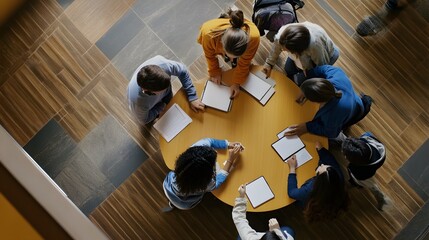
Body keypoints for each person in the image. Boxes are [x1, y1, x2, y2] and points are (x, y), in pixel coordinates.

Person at [284, 65, 364, 138]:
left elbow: (331, 133)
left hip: (354, 112)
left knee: (332, 140)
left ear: (316, 101)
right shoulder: (336, 74)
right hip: (353, 99)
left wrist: (307, 127)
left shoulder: (333, 114)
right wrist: (308, 77)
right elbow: (322, 69)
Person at [163, 138, 244, 210]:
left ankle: (172, 203)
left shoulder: (194, 150)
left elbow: (209, 141)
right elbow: (217, 183)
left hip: (168, 188)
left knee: (174, 200)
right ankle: (174, 204)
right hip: (185, 203)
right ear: (208, 176)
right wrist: (230, 160)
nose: (215, 151)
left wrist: (227, 144)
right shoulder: (207, 184)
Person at [198, 9, 260, 98]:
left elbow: (244, 63)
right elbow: (210, 56)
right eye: (227, 54)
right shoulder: (208, 35)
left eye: (236, 57)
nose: (231, 59)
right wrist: (214, 72)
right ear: (221, 44)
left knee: (238, 64)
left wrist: (237, 83)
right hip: (214, 33)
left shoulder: (253, 38)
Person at [127, 55, 205, 125]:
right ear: (148, 91)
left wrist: (192, 96)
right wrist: (162, 106)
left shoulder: (163, 65)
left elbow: (183, 71)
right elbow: (144, 120)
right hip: (154, 107)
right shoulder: (138, 103)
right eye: (162, 90)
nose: (167, 88)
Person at [287, 142, 349, 222]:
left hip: (312, 203)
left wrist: (292, 168)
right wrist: (321, 150)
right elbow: (331, 161)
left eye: (322, 167)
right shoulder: (336, 176)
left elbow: (292, 193)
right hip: (332, 202)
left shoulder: (309, 189)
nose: (322, 165)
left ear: (319, 180)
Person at [263, 22, 339, 85]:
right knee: (288, 70)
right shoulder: (284, 33)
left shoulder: (315, 46)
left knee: (298, 81)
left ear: (298, 50)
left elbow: (322, 67)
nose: (282, 49)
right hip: (303, 55)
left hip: (326, 56)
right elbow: (277, 46)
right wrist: (269, 63)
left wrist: (309, 73)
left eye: (287, 50)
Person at [342, 132, 390, 210]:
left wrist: (356, 181)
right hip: (372, 167)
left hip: (365, 177)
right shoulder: (368, 139)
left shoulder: (360, 172)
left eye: (345, 155)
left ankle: (382, 200)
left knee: (372, 187)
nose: (344, 155)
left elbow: (357, 176)